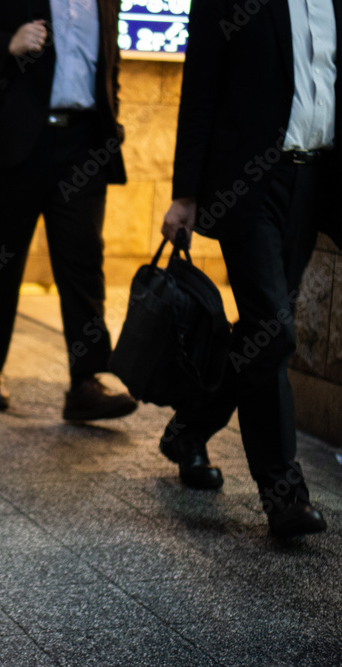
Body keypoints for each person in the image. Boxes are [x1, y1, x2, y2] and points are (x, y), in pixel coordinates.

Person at [159, 0, 339, 537]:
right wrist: (185, 194)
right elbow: (201, 86)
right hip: (249, 185)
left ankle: (189, 430)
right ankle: (283, 495)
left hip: (314, 182)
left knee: (262, 334)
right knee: (272, 330)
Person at [0, 0, 138, 421]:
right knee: (1, 260)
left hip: (83, 145)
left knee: (82, 262)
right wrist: (6, 42)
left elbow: (109, 62)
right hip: (18, 143)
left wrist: (111, 119)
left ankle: (85, 382)